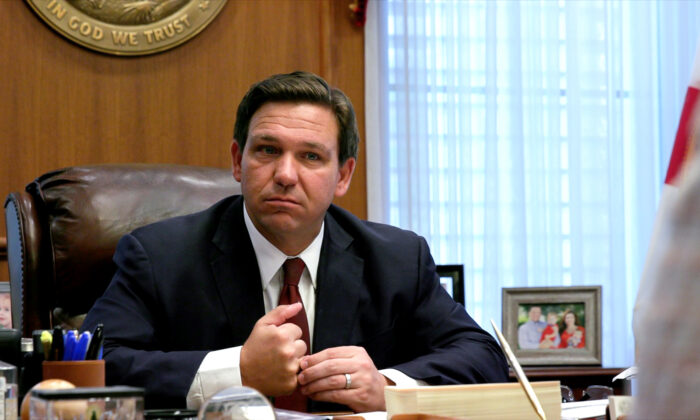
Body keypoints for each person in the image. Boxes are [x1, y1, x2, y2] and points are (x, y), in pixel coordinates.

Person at [80, 71, 509, 412]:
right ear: (237, 160)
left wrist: (387, 386)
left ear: (342, 176)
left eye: (310, 156)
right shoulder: (160, 256)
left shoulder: (396, 258)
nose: (285, 174)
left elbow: (482, 356)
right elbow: (93, 366)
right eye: (267, 150)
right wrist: (237, 370)